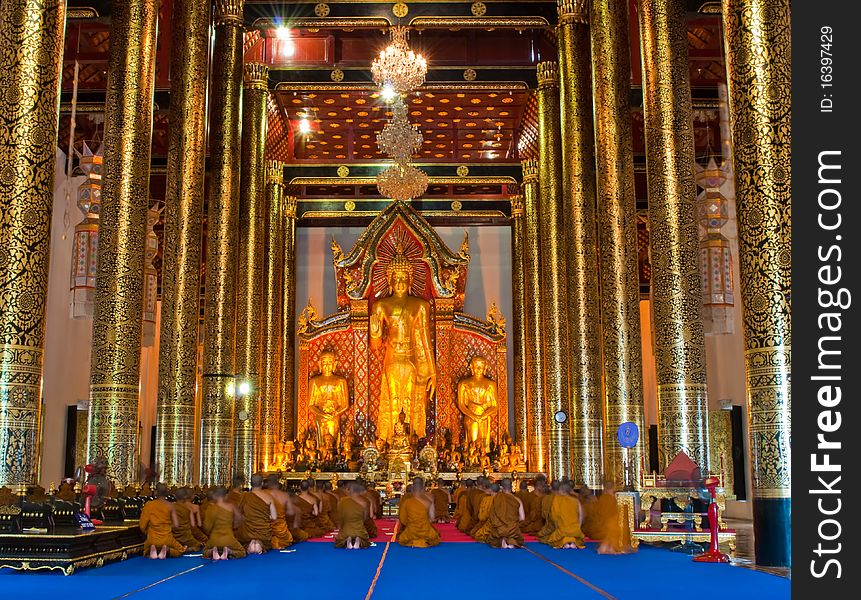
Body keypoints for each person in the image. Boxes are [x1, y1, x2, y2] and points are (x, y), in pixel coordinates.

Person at [370, 248, 437, 442]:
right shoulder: (381, 306)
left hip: (411, 358)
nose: (400, 282)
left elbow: (424, 339)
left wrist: (432, 371)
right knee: (393, 400)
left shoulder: (420, 306)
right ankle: (390, 440)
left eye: (404, 278)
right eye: (396, 278)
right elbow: (375, 346)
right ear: (389, 280)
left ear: (410, 279)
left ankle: (410, 439)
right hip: (392, 357)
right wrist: (375, 332)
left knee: (410, 398)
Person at [308, 351, 350, 446]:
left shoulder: (340, 381)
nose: (327, 365)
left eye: (330, 362)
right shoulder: (314, 381)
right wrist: (321, 413)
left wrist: (335, 412)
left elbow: (345, 404)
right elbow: (310, 405)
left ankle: (334, 455)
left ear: (335, 364)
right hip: (320, 416)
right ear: (319, 364)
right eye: (324, 362)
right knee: (321, 443)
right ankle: (320, 456)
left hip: (334, 416)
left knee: (333, 441)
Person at [456, 356, 498, 451]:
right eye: (476, 365)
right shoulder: (464, 384)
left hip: (484, 416)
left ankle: (484, 460)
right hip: (470, 416)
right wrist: (473, 416)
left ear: (485, 367)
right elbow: (461, 405)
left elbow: (495, 406)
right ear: (471, 367)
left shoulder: (490, 384)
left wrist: (483, 415)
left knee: (483, 444)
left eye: (481, 365)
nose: (479, 368)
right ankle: (471, 460)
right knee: (472, 442)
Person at [139, 483, 186, 559]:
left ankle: (152, 550)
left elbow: (142, 525)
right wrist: (167, 528)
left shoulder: (149, 505)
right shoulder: (170, 505)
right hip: (167, 538)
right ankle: (167, 550)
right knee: (180, 550)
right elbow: (176, 524)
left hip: (152, 538)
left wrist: (148, 532)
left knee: (145, 551)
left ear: (155, 492)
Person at [235, 473, 277, 554]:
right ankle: (259, 544)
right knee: (268, 542)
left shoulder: (244, 496)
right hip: (263, 533)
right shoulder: (268, 497)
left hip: (247, 533)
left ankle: (250, 544)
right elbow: (274, 517)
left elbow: (238, 514)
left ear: (250, 483)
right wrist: (264, 517)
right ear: (262, 483)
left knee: (241, 538)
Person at [202, 486, 246, 560]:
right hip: (229, 539)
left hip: (214, 539)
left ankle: (212, 551)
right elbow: (240, 519)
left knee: (204, 552)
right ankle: (229, 552)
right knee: (242, 552)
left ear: (215, 496)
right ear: (226, 496)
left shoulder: (211, 508)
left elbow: (206, 527)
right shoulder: (231, 506)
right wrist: (233, 527)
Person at [541, 482, 586, 549]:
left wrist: (558, 527)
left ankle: (565, 542)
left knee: (551, 540)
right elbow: (581, 516)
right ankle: (572, 542)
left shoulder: (557, 500)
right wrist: (577, 527)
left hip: (562, 531)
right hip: (575, 530)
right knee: (578, 538)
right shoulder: (576, 501)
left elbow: (554, 517)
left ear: (561, 491)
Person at [397, 477, 440, 548]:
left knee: (402, 538)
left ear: (412, 487)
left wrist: (412, 523)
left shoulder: (407, 501)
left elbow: (403, 520)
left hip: (411, 532)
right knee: (434, 537)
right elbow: (432, 519)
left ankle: (414, 540)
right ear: (423, 487)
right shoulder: (429, 501)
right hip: (426, 532)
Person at [487, 478, 525, 548]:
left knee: (493, 538)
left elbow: (492, 517)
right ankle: (510, 541)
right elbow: (522, 518)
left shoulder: (497, 498)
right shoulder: (517, 500)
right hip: (512, 529)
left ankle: (503, 540)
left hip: (499, 530)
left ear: (501, 487)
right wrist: (511, 522)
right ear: (512, 487)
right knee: (517, 538)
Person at [334, 482, 371, 549]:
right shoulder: (364, 502)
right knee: (365, 540)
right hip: (359, 530)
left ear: (350, 490)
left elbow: (339, 517)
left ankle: (347, 538)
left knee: (340, 540)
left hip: (345, 530)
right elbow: (365, 518)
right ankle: (358, 538)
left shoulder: (342, 501)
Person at [264, 475, 295, 549]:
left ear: (267, 483)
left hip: (267, 529)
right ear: (277, 483)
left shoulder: (263, 494)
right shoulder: (284, 495)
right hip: (281, 529)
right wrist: (281, 514)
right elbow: (291, 513)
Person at [172, 487, 205, 551]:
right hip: (187, 536)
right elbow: (194, 525)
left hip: (174, 535)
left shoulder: (171, 507)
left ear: (175, 496)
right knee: (202, 543)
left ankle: (180, 547)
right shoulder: (190, 508)